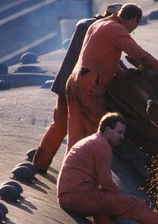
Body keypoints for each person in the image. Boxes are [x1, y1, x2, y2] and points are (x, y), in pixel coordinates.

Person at [65, 3, 158, 150]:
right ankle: (88, 171)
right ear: (133, 19)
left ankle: (70, 170)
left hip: (74, 81)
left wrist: (124, 74)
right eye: (134, 27)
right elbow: (139, 54)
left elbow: (102, 57)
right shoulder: (116, 29)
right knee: (95, 135)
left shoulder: (100, 24)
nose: (131, 31)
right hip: (90, 85)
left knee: (76, 133)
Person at [32, 3, 123, 173]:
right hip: (81, 86)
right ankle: (71, 172)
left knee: (58, 125)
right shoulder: (103, 30)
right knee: (81, 132)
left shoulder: (84, 25)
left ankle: (39, 163)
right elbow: (100, 58)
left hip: (64, 83)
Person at [57, 112, 158, 224]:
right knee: (136, 204)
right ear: (108, 130)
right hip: (78, 197)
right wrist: (124, 198)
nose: (122, 137)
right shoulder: (102, 145)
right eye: (119, 132)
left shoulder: (93, 140)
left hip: (67, 197)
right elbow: (106, 182)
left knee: (104, 206)